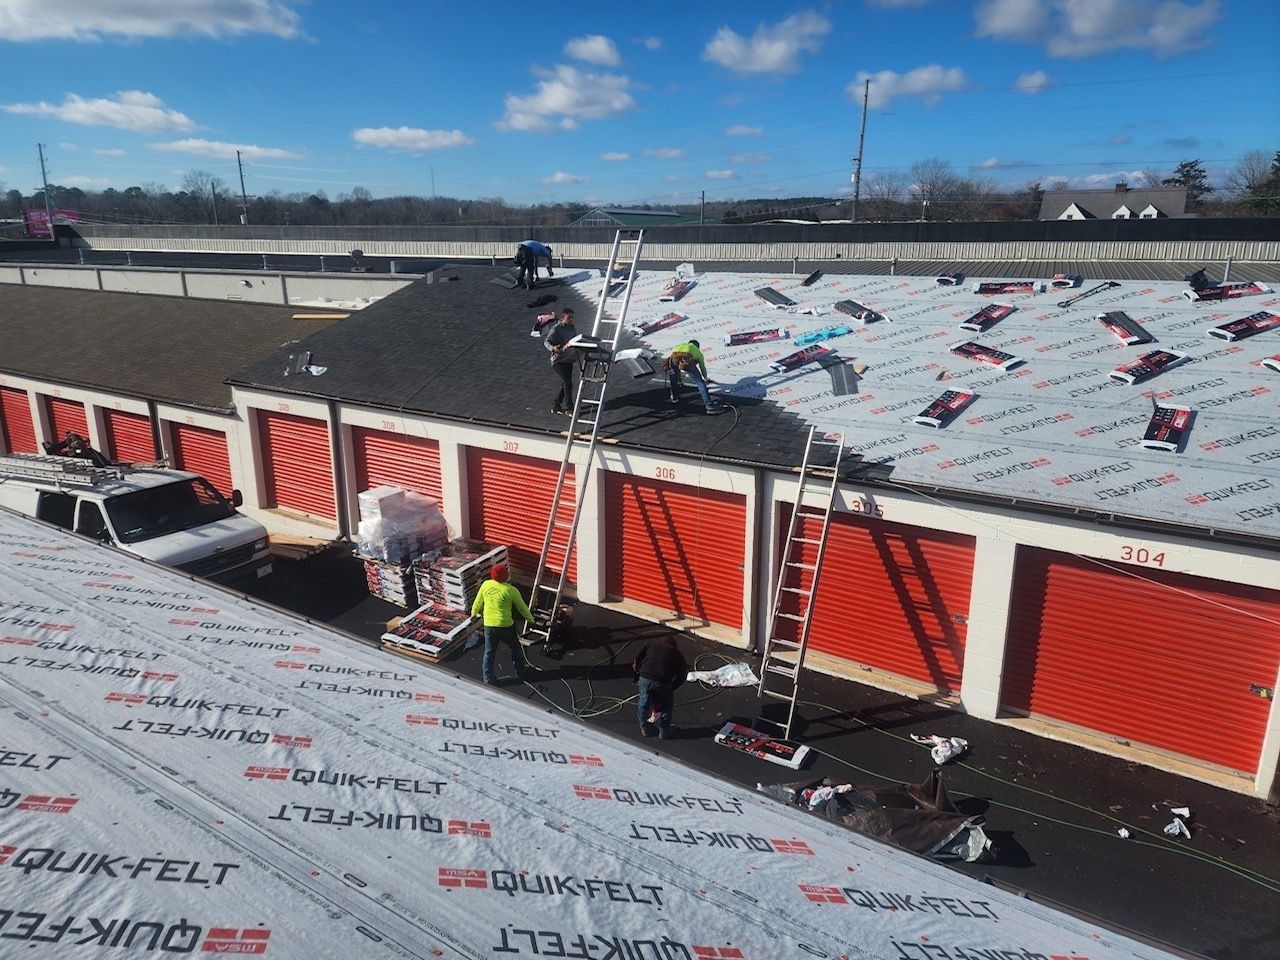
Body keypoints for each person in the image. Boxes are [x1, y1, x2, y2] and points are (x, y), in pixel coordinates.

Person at [471, 564, 534, 685]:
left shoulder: (486, 585)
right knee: (516, 648)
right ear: (506, 576)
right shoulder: (511, 590)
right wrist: (531, 620)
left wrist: (473, 613)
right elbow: (522, 608)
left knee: (489, 652)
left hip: (489, 625)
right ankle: (520, 672)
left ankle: (488, 678)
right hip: (505, 626)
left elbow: (477, 601)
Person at [632, 634, 689, 739]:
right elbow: (682, 675)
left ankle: (644, 729)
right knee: (666, 706)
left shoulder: (651, 645)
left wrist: (637, 675)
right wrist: (671, 688)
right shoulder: (677, 654)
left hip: (645, 677)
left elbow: (636, 662)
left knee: (643, 703)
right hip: (663, 681)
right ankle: (663, 732)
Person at [662, 339, 726, 415]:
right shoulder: (698, 353)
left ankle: (675, 397)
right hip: (687, 357)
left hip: (674, 356)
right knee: (700, 383)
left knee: (673, 375)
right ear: (697, 346)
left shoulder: (681, 345)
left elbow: (676, 366)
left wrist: (679, 380)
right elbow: (702, 367)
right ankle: (709, 406)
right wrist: (705, 378)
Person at [544, 308, 577, 415]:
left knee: (565, 384)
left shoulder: (572, 328)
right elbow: (546, 341)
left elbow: (573, 341)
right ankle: (569, 408)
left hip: (568, 359)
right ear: (563, 318)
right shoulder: (556, 329)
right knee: (568, 383)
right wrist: (553, 348)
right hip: (558, 360)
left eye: (572, 317)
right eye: (569, 318)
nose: (571, 320)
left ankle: (556, 404)